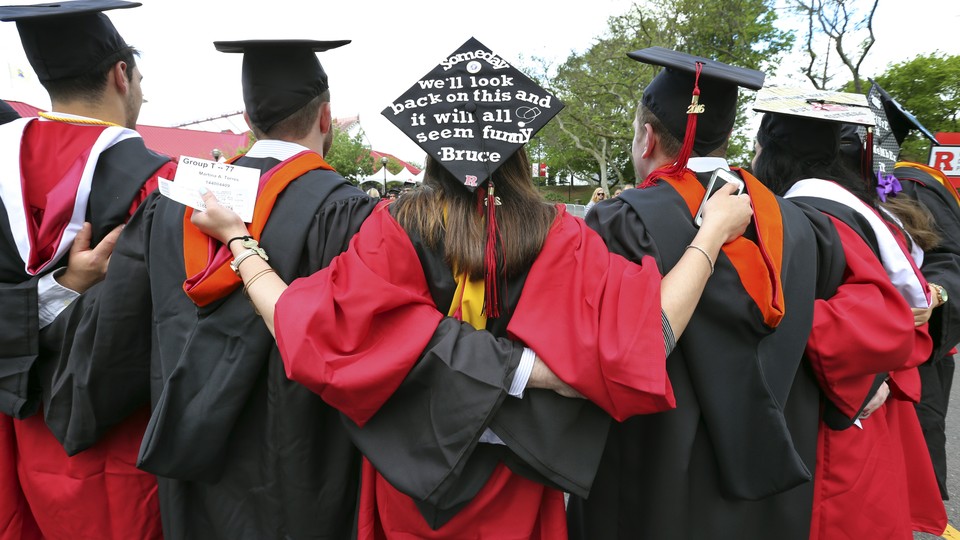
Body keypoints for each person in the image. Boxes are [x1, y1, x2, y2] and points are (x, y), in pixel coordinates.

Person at [191, 37, 751, 539]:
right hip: (514, 487)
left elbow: (305, 326)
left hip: (410, 485)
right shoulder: (560, 235)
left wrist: (240, 245)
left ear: (433, 149)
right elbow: (650, 337)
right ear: (521, 148)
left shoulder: (392, 229)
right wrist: (710, 237)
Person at [568, 48, 921, 540]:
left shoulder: (622, 219)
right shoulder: (803, 222)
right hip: (770, 480)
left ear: (647, 138)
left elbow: (595, 346)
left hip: (653, 477)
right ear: (729, 135)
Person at [47, 39, 377, 538]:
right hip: (310, 474)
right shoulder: (353, 214)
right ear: (326, 117)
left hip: (196, 475)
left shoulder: (173, 204)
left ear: (247, 119)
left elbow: (116, 337)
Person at [0, 1, 175, 538]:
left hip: (18, 430)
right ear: (120, 75)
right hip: (124, 446)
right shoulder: (161, 182)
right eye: (140, 79)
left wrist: (56, 288)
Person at [751, 91, 946, 538]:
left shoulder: (809, 218)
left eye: (760, 148)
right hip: (863, 410)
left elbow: (865, 320)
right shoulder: (864, 211)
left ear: (777, 154)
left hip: (831, 422)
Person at [840, 83, 960, 501]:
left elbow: (949, 258)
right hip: (855, 351)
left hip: (914, 350)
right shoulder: (833, 188)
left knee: (900, 470)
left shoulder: (910, 187)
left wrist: (936, 293)